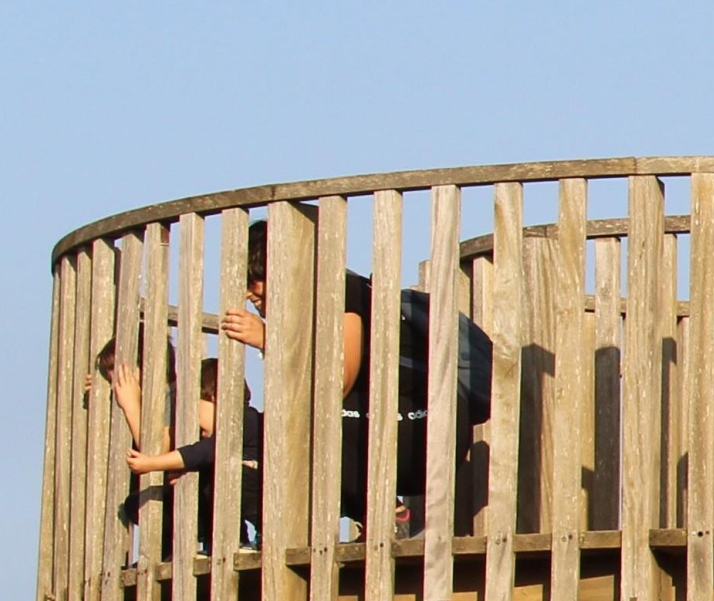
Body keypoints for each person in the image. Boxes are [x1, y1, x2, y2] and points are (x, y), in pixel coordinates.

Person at [222, 218, 491, 530]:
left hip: (426, 428)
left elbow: (338, 379)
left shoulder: (342, 292)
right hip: (397, 429)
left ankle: (385, 515)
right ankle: (381, 516)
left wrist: (269, 341)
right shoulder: (312, 312)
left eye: (254, 279)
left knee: (292, 420)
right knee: (277, 426)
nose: (249, 294)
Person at [102, 340, 262, 549]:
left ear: (215, 398)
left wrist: (152, 462)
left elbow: (200, 452)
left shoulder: (244, 420)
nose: (192, 419)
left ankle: (237, 538)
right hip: (208, 495)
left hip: (255, 499)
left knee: (216, 475)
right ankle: (203, 543)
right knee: (138, 502)